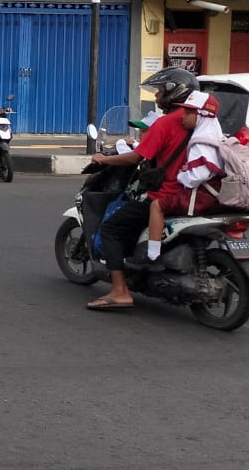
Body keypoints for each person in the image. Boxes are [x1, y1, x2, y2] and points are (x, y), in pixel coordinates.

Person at [84, 67, 201, 311]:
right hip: (195, 195)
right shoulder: (201, 121)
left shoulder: (166, 122)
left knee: (111, 229)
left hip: (165, 194)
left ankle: (119, 291)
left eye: (159, 92)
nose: (156, 98)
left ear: (174, 92)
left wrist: (103, 160)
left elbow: (135, 158)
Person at [145, 90, 226, 239]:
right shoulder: (215, 135)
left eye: (189, 113)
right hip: (213, 194)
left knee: (156, 205)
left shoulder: (200, 141)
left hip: (200, 197)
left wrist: (182, 176)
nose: (183, 116)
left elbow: (199, 175)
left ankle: (152, 254)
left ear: (202, 115)